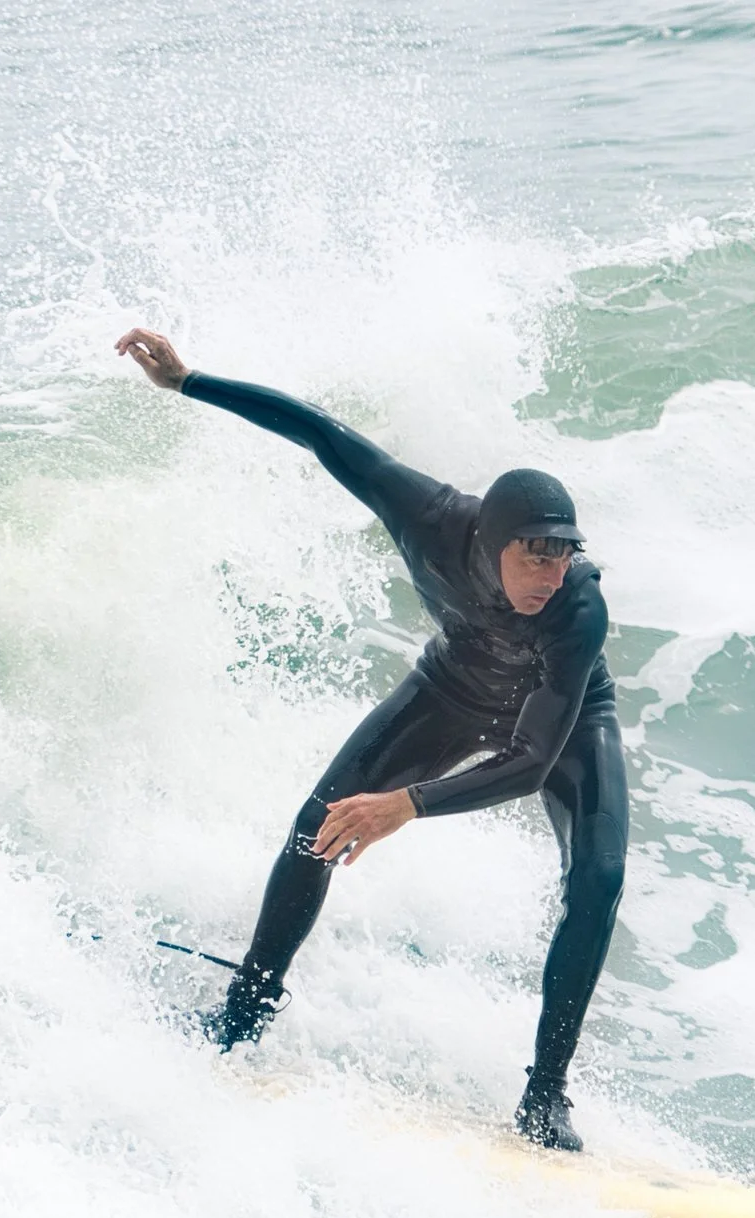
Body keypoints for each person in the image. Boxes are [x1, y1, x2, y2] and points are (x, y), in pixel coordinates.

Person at [116, 327, 625, 1152]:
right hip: (453, 687)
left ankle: (545, 1096)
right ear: (490, 545)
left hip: (559, 720)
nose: (551, 577)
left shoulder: (576, 611)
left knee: (599, 882)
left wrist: (409, 804)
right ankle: (244, 1010)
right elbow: (322, 435)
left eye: (563, 558)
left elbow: (531, 761)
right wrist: (189, 382)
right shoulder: (426, 515)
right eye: (534, 560)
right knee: (317, 825)